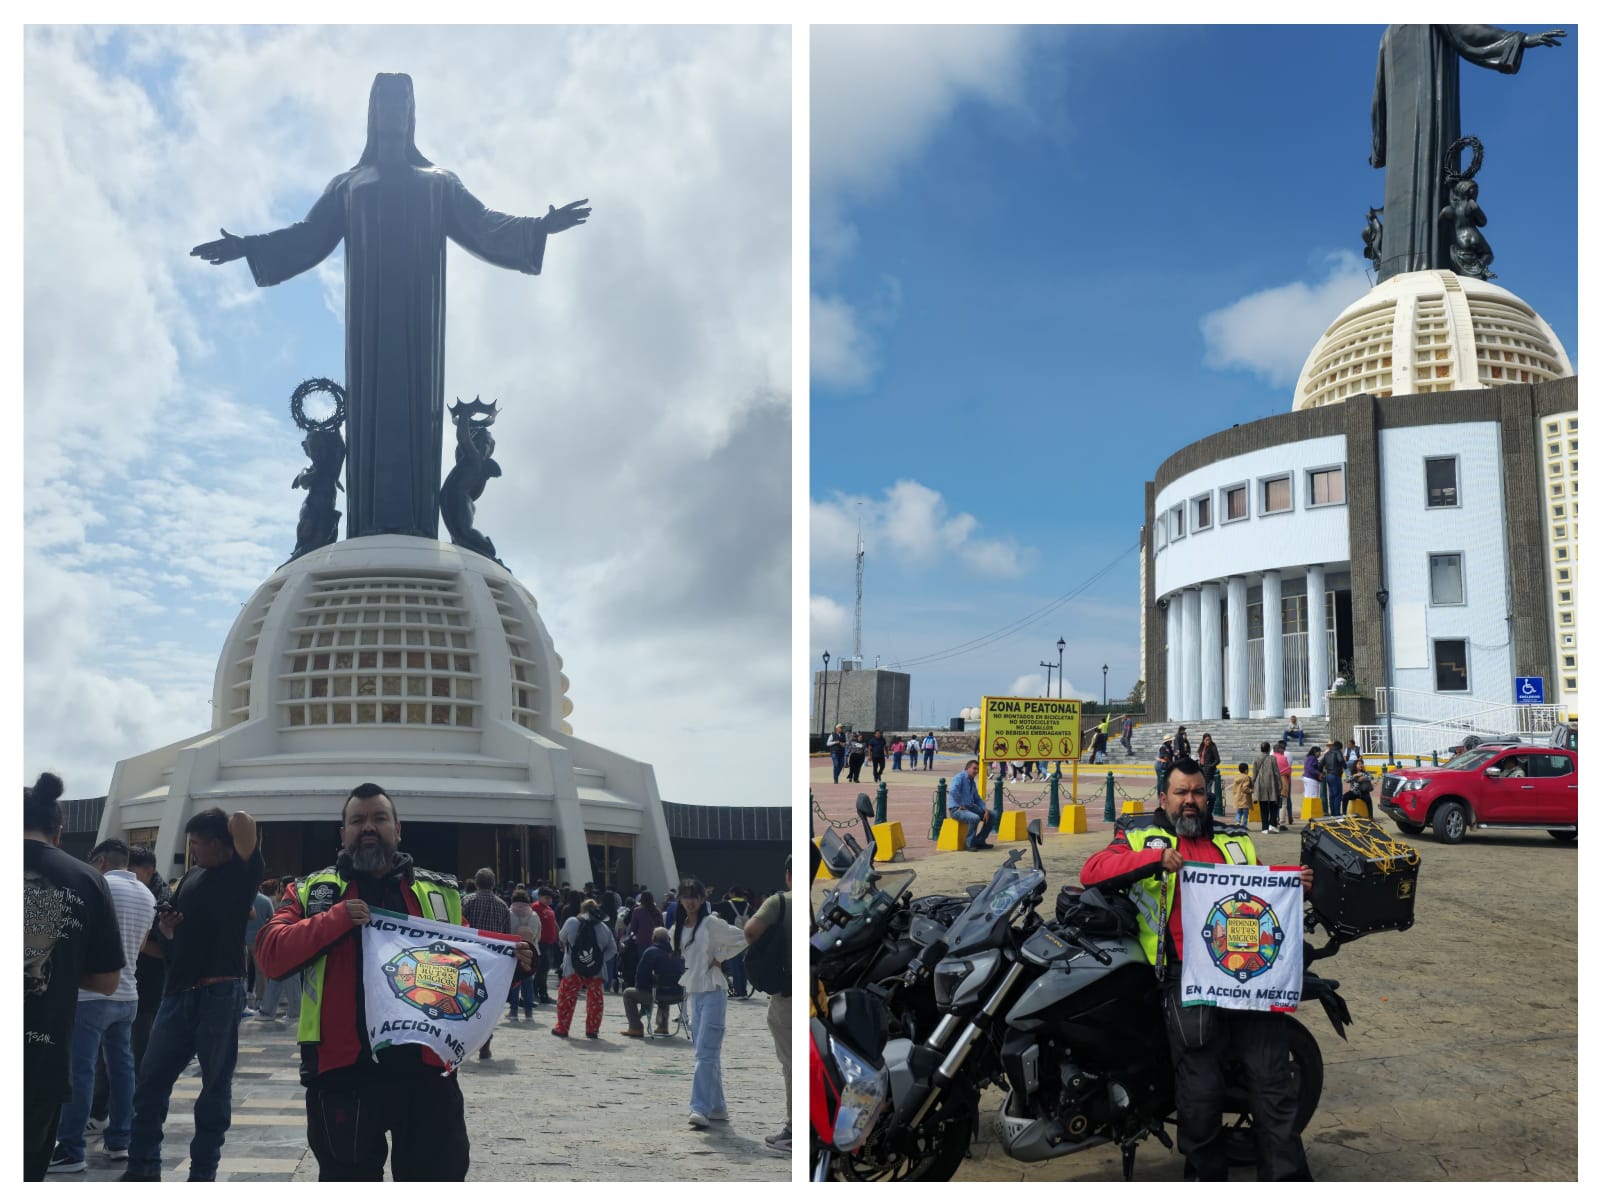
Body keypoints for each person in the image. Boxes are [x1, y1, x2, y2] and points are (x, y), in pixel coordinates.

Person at [253, 783, 532, 1181]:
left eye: (379, 818)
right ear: (343, 833)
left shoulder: (439, 893)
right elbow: (269, 954)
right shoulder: (312, 890)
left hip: (427, 1076)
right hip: (343, 1076)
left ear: (398, 829)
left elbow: (469, 968)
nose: (368, 827)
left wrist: (516, 966)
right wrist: (335, 919)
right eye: (358, 820)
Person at [1081, 757, 1314, 1180]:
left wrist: (1293, 882)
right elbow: (1092, 871)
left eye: (1198, 792)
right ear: (1163, 798)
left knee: (1274, 1084)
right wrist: (1153, 860)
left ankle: (1287, 1179)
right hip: (1185, 976)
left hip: (1250, 977)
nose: (1190, 800)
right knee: (1200, 1092)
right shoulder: (1138, 834)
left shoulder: (1234, 839)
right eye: (1181, 792)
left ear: (1209, 797)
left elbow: (1261, 886)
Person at [123, 807, 263, 1182]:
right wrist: (167, 928)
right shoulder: (191, 876)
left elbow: (243, 821)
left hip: (220, 989)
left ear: (219, 843)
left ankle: (202, 1175)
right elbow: (173, 940)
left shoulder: (240, 872)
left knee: (214, 1087)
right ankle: (142, 1168)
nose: (194, 850)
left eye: (198, 842)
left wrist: (224, 823)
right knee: (150, 1082)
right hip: (178, 990)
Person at [25, 774, 125, 1181]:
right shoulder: (86, 880)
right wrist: (59, 966)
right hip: (39, 1054)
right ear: (59, 831)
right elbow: (107, 982)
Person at [49, 838, 157, 1173]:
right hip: (128, 994)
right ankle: (120, 1139)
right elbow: (140, 945)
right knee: (122, 1069)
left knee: (80, 1071)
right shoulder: (147, 895)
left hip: (91, 994)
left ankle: (71, 1148)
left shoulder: (95, 886)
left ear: (100, 862)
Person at [674, 879, 749, 1128]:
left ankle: (699, 1107)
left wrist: (720, 957)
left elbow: (744, 937)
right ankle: (717, 1106)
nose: (690, 901)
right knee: (706, 1051)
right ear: (680, 899)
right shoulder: (680, 926)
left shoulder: (711, 923)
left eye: (694, 896)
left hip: (714, 991)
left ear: (703, 898)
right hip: (694, 992)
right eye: (686, 896)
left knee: (705, 1051)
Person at [742, 857, 793, 1152]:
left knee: (792, 1061)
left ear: (788, 874)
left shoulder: (780, 902)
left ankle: (795, 1128)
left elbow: (750, 932)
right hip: (819, 991)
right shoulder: (826, 897)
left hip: (787, 992)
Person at [462, 867, 513, 1059]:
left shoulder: (467, 901)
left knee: (464, 1002)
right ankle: (485, 1045)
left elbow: (458, 927)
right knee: (488, 1005)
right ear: (493, 884)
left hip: (468, 960)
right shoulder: (502, 906)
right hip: (493, 963)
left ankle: (465, 1043)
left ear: (476, 883)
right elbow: (507, 936)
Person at [552, 898, 616, 1038]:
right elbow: (613, 949)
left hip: (572, 967)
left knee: (567, 998)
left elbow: (562, 937)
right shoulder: (603, 927)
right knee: (595, 1001)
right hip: (596, 970)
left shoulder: (572, 922)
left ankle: (562, 1028)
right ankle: (592, 1030)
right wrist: (598, 960)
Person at [621, 927, 684, 1036]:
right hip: (678, 994)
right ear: (669, 939)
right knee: (665, 987)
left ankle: (636, 1027)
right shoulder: (677, 953)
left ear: (653, 938)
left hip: (657, 994)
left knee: (628, 993)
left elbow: (641, 975)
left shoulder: (650, 952)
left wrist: (643, 989)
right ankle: (663, 1026)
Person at [507, 887, 541, 1019]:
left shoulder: (509, 913)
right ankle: (529, 1012)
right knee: (528, 982)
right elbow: (538, 935)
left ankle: (513, 1011)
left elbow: (505, 933)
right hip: (531, 951)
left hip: (514, 951)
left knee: (515, 981)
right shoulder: (534, 915)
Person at [947, 759, 995, 849]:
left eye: (977, 769)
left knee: (992, 815)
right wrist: (961, 803)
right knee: (974, 818)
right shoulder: (959, 777)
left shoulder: (972, 781)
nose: (976, 771)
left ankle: (980, 841)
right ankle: (970, 843)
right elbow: (953, 791)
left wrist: (985, 809)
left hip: (969, 807)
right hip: (957, 809)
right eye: (974, 768)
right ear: (967, 768)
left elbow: (977, 798)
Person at [717, 886, 755, 998]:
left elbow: (711, 908)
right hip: (746, 939)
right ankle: (743, 990)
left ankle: (738, 991)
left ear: (732, 893)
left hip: (732, 939)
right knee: (743, 966)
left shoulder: (726, 904)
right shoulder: (748, 906)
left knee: (734, 966)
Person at [532, 887, 561, 1002]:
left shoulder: (549, 909)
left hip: (550, 943)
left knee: (545, 969)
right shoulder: (535, 908)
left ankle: (539, 992)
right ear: (540, 897)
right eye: (547, 898)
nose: (549, 900)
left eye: (550, 898)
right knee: (542, 969)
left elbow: (554, 923)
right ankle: (540, 993)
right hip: (541, 943)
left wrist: (559, 935)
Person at [1251, 742, 1282, 833]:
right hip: (1272, 784)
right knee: (1273, 804)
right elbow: (1276, 772)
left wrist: (1253, 784)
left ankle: (1264, 828)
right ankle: (1272, 824)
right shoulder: (1272, 758)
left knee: (1263, 806)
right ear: (1269, 749)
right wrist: (1280, 784)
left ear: (1261, 749)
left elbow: (1254, 773)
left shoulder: (1256, 758)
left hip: (1260, 784)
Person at [1197, 733, 1222, 815]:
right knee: (1202, 789)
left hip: (1209, 771)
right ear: (1203, 740)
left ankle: (1209, 809)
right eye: (1206, 740)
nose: (1208, 741)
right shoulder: (1202, 746)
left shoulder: (1213, 747)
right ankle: (1203, 807)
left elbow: (1217, 760)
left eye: (1209, 740)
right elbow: (1201, 757)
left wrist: (1210, 766)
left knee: (1208, 790)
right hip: (1202, 770)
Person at [1322, 741, 1346, 818]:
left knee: (1332, 795)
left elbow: (1321, 764)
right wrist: (1345, 766)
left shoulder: (1327, 754)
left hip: (1328, 775)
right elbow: (1341, 760)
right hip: (1336, 775)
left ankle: (1332, 813)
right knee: (1338, 795)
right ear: (1340, 747)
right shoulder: (1337, 752)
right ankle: (1337, 813)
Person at [1274, 742, 1293, 827]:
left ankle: (1273, 820)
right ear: (1280, 750)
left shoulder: (1270, 758)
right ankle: (1282, 822)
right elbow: (1288, 770)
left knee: (1273, 802)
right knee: (1283, 802)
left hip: (1273, 782)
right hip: (1283, 781)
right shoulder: (1283, 758)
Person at [1231, 763, 1255, 830]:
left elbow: (1234, 788)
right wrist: (1251, 790)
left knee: (1239, 811)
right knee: (1245, 813)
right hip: (1245, 798)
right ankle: (1244, 825)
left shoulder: (1237, 777)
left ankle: (1238, 822)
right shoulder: (1246, 777)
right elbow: (1245, 788)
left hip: (1238, 797)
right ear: (1246, 770)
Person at [1302, 747, 1323, 813]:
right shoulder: (1312, 758)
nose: (1320, 754)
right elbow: (1310, 769)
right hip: (1311, 779)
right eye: (1319, 752)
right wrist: (1319, 773)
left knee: (1308, 795)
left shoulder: (1309, 758)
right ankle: (1312, 812)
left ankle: (1307, 812)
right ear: (1315, 752)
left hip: (1308, 778)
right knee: (1313, 795)